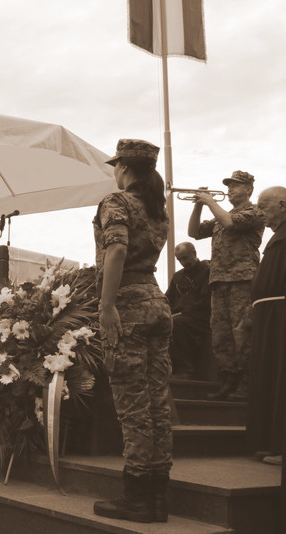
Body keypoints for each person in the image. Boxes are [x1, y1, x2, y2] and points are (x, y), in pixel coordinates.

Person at [91, 140, 172, 523]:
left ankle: (137, 497)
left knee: (133, 406)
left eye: (116, 165)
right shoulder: (158, 209)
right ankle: (157, 497)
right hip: (157, 301)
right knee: (157, 403)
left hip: (128, 304)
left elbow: (117, 251)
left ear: (124, 166)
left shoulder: (117, 201)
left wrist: (106, 306)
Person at [188, 170, 265, 400]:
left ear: (248, 189)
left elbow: (230, 223)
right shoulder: (222, 214)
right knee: (221, 335)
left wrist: (210, 202)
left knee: (243, 333)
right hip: (219, 280)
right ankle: (229, 380)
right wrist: (198, 205)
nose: (230, 189)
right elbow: (193, 232)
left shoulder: (254, 211)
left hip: (242, 279)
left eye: (235, 185)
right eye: (229, 185)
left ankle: (247, 383)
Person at [246, 186, 286, 466]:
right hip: (268, 314)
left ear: (283, 205)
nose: (260, 212)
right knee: (270, 377)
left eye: (264, 206)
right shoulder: (275, 238)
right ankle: (269, 441)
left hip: (281, 313)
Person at [164, 242, 211, 379]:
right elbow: (167, 299)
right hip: (180, 316)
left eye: (185, 258)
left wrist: (182, 313)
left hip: (200, 317)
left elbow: (204, 301)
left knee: (176, 323)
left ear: (194, 254)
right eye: (179, 259)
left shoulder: (207, 270)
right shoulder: (178, 276)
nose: (183, 262)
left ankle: (185, 369)